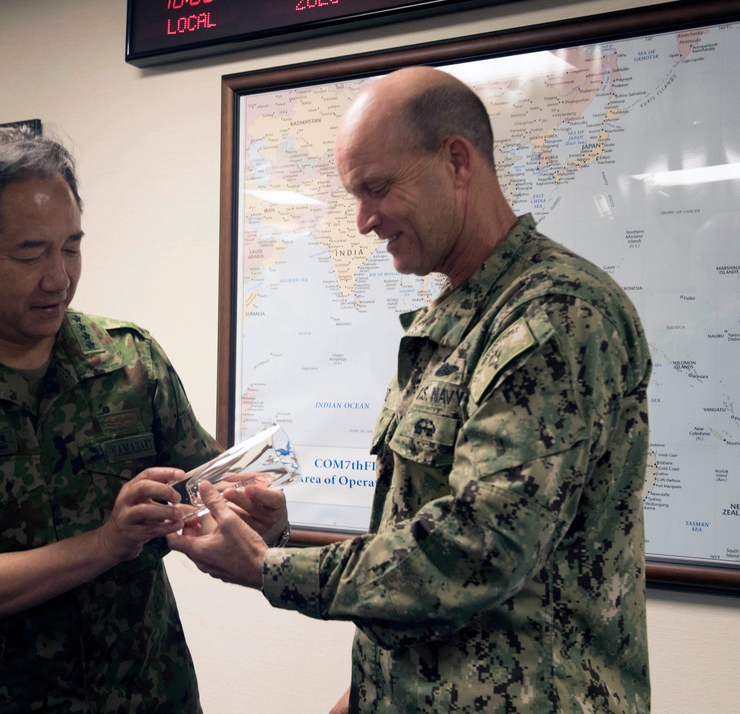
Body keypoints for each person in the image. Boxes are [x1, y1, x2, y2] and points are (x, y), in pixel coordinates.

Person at [168, 66, 652, 713]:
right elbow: (419, 533)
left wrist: (266, 567)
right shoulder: (455, 318)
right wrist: (282, 543)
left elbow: (477, 549)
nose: (364, 220)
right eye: (354, 195)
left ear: (456, 160)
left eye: (377, 188)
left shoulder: (554, 318)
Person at [0, 125, 286, 713]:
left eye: (71, 247)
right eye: (30, 253)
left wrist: (259, 521)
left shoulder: (131, 360)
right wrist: (107, 543)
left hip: (151, 696)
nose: (58, 277)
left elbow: (203, 494)